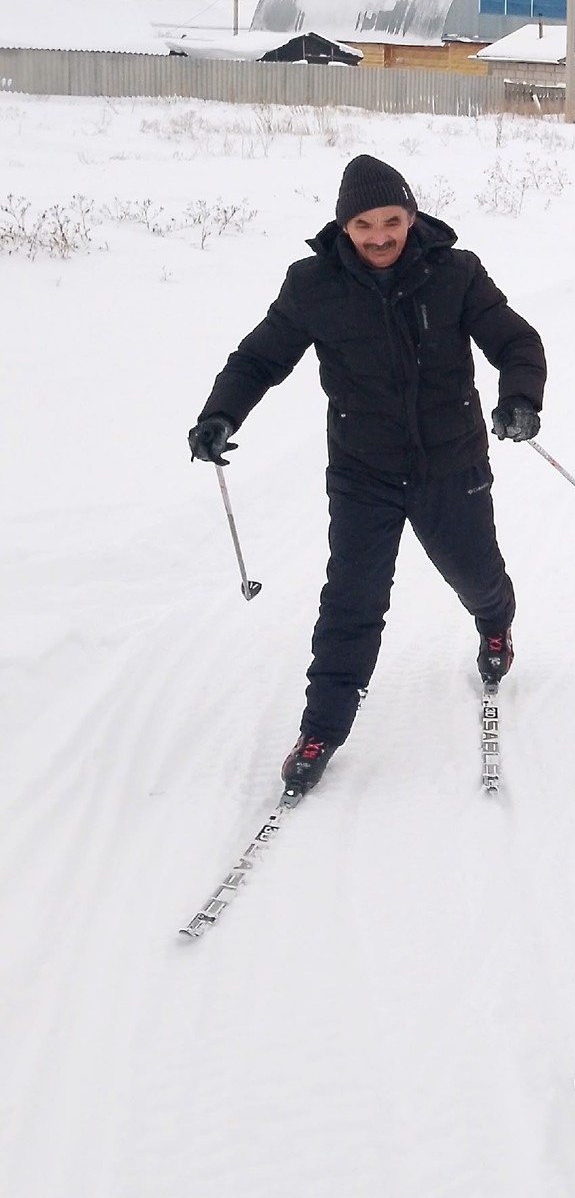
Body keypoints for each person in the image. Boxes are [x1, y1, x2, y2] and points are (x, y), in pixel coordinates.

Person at [187, 155, 547, 795]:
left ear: (411, 217)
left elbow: (516, 342)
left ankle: (495, 624)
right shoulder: (312, 285)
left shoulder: (455, 274)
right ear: (343, 227)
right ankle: (322, 727)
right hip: (363, 470)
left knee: (475, 574)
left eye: (391, 221)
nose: (379, 236)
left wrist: (520, 397)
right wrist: (219, 415)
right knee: (352, 600)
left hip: (450, 462)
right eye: (363, 224)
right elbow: (259, 357)